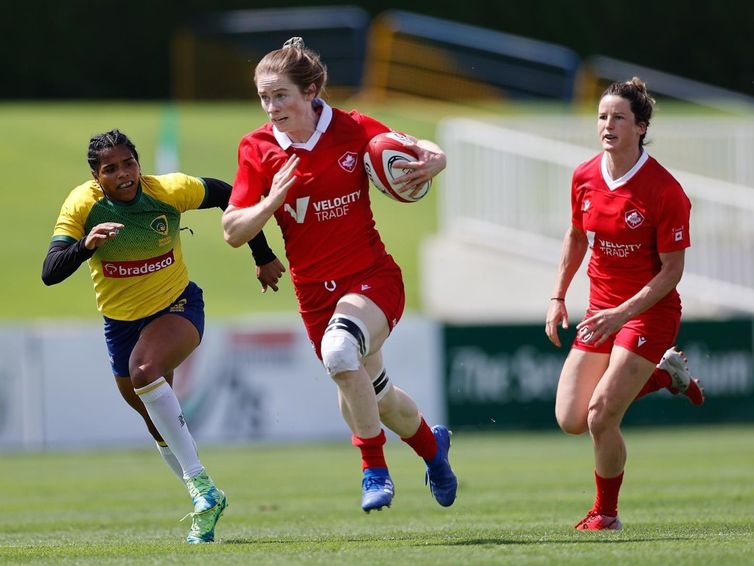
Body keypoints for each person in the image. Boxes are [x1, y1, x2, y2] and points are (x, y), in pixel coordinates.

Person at [222, 37, 457, 513]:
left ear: (310, 90)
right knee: (378, 397)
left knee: (340, 350)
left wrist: (437, 157)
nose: (271, 106)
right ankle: (434, 449)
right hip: (314, 295)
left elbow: (415, 145)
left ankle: (374, 470)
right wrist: (271, 201)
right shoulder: (257, 147)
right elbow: (231, 230)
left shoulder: (351, 127)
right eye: (264, 97)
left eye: (280, 94)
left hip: (372, 279)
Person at [41, 129, 285, 543]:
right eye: (111, 169)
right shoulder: (83, 204)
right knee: (156, 423)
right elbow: (50, 271)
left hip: (178, 307)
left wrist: (262, 256)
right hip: (120, 324)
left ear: (139, 163)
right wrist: (85, 245)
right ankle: (204, 504)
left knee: (144, 369)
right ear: (95, 176)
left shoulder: (170, 190)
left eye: (129, 164)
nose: (123, 175)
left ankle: (204, 490)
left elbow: (229, 193)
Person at [545, 78, 704, 531]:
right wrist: (558, 297)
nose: (607, 125)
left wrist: (622, 313)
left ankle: (605, 514)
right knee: (571, 419)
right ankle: (666, 376)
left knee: (600, 416)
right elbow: (576, 236)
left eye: (618, 117)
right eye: (602, 116)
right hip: (601, 310)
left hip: (649, 313)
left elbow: (671, 272)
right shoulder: (584, 175)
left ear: (641, 126)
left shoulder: (664, 190)